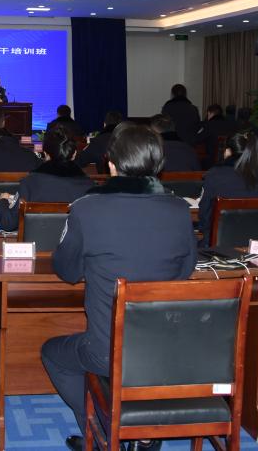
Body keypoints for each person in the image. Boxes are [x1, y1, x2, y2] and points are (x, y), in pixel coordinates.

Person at [43, 122, 198, 450]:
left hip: (105, 352)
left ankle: (101, 433)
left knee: (53, 354)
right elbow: (185, 272)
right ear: (158, 164)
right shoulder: (180, 209)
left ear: (111, 164)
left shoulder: (87, 208)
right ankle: (141, 434)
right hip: (167, 348)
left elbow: (67, 271)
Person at [0, 126, 94, 232]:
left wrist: (3, 200)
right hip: (76, 243)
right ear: (74, 154)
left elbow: (8, 223)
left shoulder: (30, 183)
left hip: (37, 242)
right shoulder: (90, 187)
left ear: (45, 154)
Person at [198, 131, 258, 239]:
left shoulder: (214, 175)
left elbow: (204, 215)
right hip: (252, 241)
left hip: (218, 242)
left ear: (227, 151)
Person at [196, 103, 239, 169]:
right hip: (230, 162)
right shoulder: (233, 125)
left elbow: (197, 139)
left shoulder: (208, 125)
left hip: (211, 164)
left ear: (209, 113)